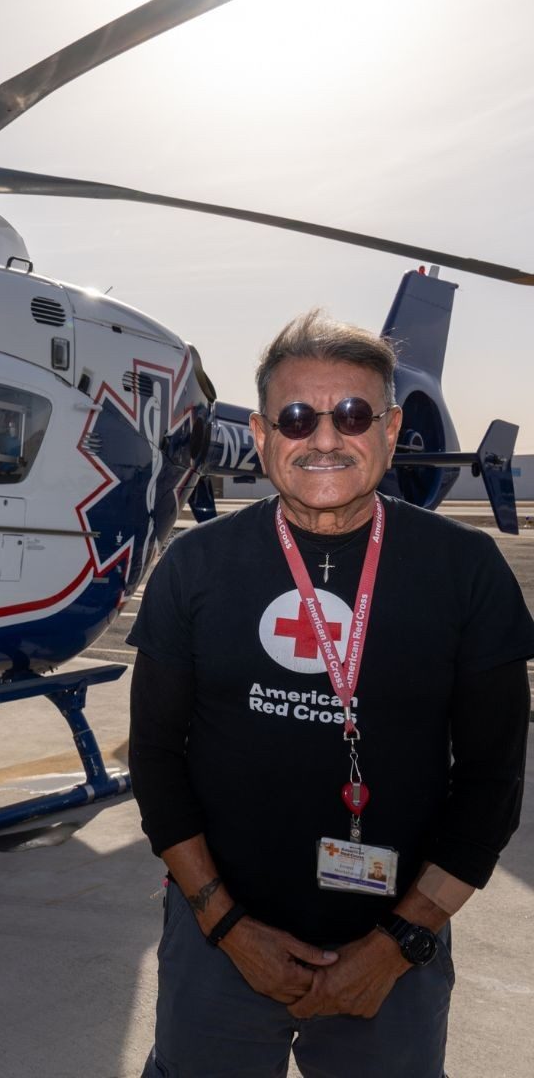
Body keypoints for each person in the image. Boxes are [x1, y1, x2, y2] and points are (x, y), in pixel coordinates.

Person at [128, 310, 534, 1077]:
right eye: (295, 417)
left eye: (351, 415)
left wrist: (399, 944)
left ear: (391, 429)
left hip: (395, 949)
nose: (323, 439)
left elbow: (491, 782)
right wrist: (226, 926)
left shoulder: (465, 570)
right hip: (219, 941)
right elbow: (154, 757)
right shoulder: (194, 566)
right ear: (260, 434)